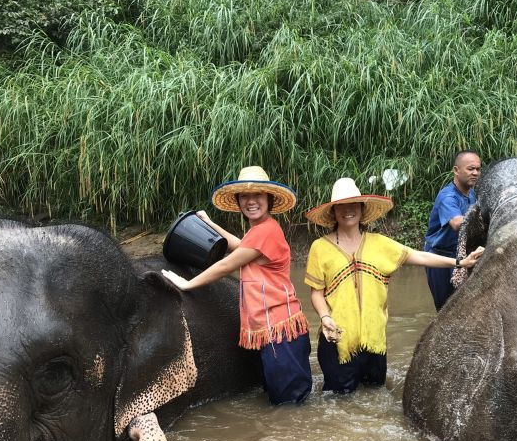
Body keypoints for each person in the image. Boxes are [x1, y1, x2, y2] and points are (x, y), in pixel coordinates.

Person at [304, 177, 483, 394]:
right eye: (341, 206)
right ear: (333, 212)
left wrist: (460, 262)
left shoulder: (380, 243)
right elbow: (316, 293)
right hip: (337, 338)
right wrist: (325, 317)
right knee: (338, 398)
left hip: (375, 339)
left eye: (353, 204)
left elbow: (420, 256)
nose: (348, 210)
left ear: (362, 209)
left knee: (375, 395)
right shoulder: (319, 248)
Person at [161, 166, 312, 405]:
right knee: (283, 401)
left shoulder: (267, 231)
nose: (251, 201)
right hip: (273, 331)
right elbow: (239, 245)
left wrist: (187, 284)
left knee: (289, 405)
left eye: (258, 196)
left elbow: (226, 265)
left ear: (269, 199)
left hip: (279, 332)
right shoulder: (260, 231)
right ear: (239, 201)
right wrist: (209, 223)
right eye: (245, 196)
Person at [423, 150, 482, 310]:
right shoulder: (448, 197)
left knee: (465, 304)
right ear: (456, 170)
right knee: (444, 307)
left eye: (478, 169)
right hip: (439, 257)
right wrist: (486, 214)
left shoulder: (471, 194)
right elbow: (456, 223)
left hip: (460, 254)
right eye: (471, 169)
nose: (475, 173)